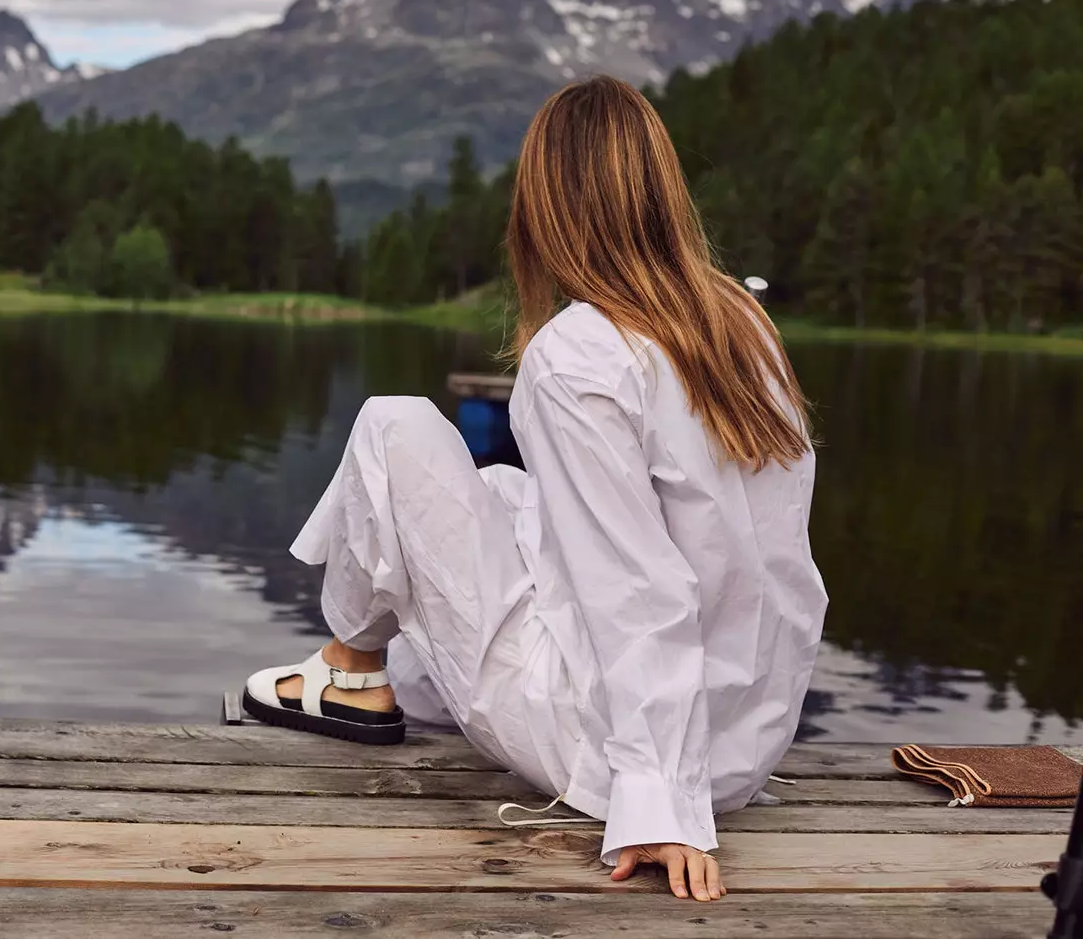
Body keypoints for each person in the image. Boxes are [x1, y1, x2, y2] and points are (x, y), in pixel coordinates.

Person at [242, 75, 826, 903]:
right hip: (745, 737)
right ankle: (394, 675)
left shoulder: (578, 355)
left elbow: (636, 590)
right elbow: (772, 566)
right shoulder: (743, 324)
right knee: (510, 492)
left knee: (392, 427)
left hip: (611, 749)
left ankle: (352, 666)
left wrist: (660, 804)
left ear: (546, 204)